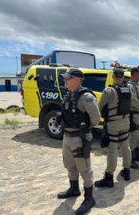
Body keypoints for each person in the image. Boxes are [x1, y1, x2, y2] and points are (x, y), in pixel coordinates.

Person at [57, 68, 101, 215]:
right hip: (67, 137)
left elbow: (95, 119)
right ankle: (74, 188)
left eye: (67, 78)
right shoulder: (69, 95)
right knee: (70, 165)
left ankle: (89, 198)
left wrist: (85, 126)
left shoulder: (86, 97)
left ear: (76, 80)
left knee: (85, 169)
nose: (64, 81)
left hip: (80, 138)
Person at [94, 68, 133, 188]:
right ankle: (127, 171)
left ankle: (109, 177)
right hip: (125, 121)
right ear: (122, 77)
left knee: (112, 150)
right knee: (126, 147)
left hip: (113, 123)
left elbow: (99, 107)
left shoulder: (109, 91)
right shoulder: (128, 89)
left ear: (113, 76)